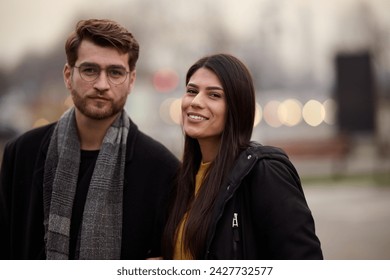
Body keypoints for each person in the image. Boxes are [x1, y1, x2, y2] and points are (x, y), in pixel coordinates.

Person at [0, 19, 179, 260]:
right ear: (68, 75)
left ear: (131, 81)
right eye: (89, 70)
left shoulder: (162, 170)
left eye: (115, 72)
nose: (102, 85)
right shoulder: (22, 154)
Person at [162, 53, 323, 260]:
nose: (196, 102)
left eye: (214, 95)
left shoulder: (263, 173)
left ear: (237, 108)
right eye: (192, 91)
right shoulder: (180, 181)